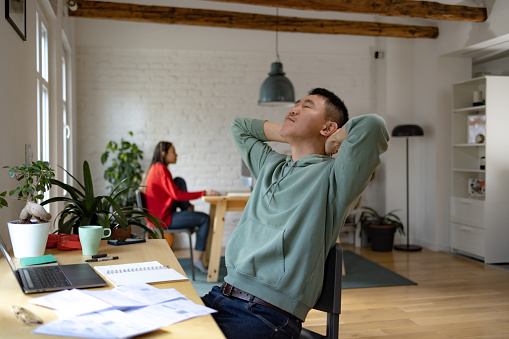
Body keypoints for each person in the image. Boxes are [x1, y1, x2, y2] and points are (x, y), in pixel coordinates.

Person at [202, 88, 389, 338]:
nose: (293, 109)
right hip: (220, 295)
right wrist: (285, 132)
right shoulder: (270, 165)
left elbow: (373, 126)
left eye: (307, 106)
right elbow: (240, 127)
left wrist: (334, 140)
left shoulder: (336, 178)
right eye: (295, 104)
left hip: (265, 315)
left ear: (328, 127)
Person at [141, 141, 219, 273]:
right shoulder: (161, 169)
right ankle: (198, 259)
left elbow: (174, 192)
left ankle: (187, 210)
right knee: (205, 218)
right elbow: (176, 195)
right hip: (162, 220)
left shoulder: (156, 168)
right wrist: (203, 193)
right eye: (173, 151)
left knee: (179, 181)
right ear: (164, 153)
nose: (176, 154)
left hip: (160, 215)